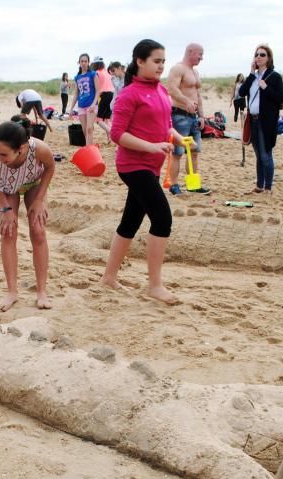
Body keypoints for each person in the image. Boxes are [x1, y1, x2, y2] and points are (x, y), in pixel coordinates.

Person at [100, 39, 184, 304]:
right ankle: (155, 285)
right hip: (132, 166)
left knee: (130, 221)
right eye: (156, 61)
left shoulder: (160, 90)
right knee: (162, 218)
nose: (161, 66)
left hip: (151, 165)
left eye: (163, 61)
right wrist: (151, 146)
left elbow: (164, 124)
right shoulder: (129, 93)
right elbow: (117, 134)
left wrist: (177, 136)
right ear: (140, 61)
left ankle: (109, 278)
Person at [0, 118, 56, 311]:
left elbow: (50, 167)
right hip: (7, 187)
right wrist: (5, 207)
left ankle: (42, 292)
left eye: (4, 154)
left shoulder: (40, 149)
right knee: (8, 232)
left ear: (21, 149)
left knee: (39, 230)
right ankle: (12, 292)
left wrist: (40, 200)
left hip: (33, 184)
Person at [239, 44, 283, 194]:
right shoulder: (253, 77)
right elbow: (241, 92)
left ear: (269, 58)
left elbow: (280, 98)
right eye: (257, 54)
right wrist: (252, 74)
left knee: (266, 155)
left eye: (262, 55)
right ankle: (259, 185)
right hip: (252, 119)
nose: (258, 57)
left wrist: (266, 87)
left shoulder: (274, 76)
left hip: (267, 121)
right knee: (258, 154)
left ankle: (268, 187)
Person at [166, 43, 209, 195]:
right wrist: (186, 101)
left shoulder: (195, 72)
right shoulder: (178, 68)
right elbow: (171, 89)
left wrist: (202, 115)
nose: (201, 58)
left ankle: (193, 185)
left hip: (193, 117)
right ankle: (174, 185)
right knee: (178, 152)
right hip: (179, 115)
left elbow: (197, 96)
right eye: (200, 54)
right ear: (190, 52)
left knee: (194, 151)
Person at [69, 53, 98, 145]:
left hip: (91, 105)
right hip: (81, 106)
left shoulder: (93, 74)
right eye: (82, 61)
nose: (84, 63)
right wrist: (71, 108)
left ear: (88, 62)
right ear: (79, 63)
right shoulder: (77, 77)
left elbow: (98, 90)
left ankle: (90, 150)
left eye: (86, 61)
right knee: (85, 130)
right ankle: (89, 148)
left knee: (89, 128)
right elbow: (76, 94)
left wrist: (94, 104)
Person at [93, 57, 115, 138]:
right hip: (112, 94)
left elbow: (98, 88)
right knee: (106, 119)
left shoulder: (96, 73)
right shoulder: (106, 72)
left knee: (98, 120)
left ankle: (112, 134)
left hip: (104, 95)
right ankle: (110, 139)